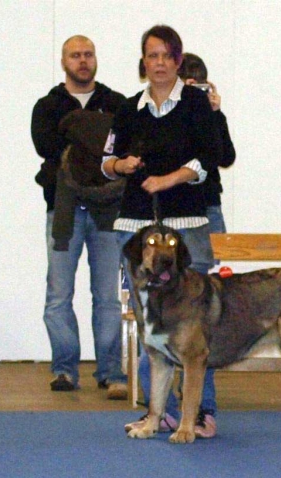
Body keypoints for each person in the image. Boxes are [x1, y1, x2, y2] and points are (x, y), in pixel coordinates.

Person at [101, 25, 223, 437]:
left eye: (165, 56)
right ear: (144, 62)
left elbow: (210, 158)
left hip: (186, 226)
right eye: (151, 56)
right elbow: (106, 160)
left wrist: (168, 179)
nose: (158, 63)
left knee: (193, 329)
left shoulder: (195, 102)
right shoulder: (128, 107)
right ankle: (158, 413)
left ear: (177, 60)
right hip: (135, 226)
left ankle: (201, 413)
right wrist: (122, 166)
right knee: (152, 329)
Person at [31, 35, 129, 399]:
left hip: (109, 212)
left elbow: (123, 146)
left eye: (88, 54)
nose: (83, 61)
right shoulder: (47, 106)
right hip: (63, 210)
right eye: (76, 55)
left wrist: (79, 135)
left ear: (96, 59)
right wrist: (98, 140)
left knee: (107, 296)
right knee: (58, 294)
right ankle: (64, 369)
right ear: (64, 61)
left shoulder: (117, 103)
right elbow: (47, 147)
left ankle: (110, 371)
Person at [177, 52, 236, 233]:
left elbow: (227, 157)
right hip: (176, 203)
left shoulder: (211, 116)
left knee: (215, 259)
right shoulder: (166, 114)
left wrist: (215, 113)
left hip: (208, 202)